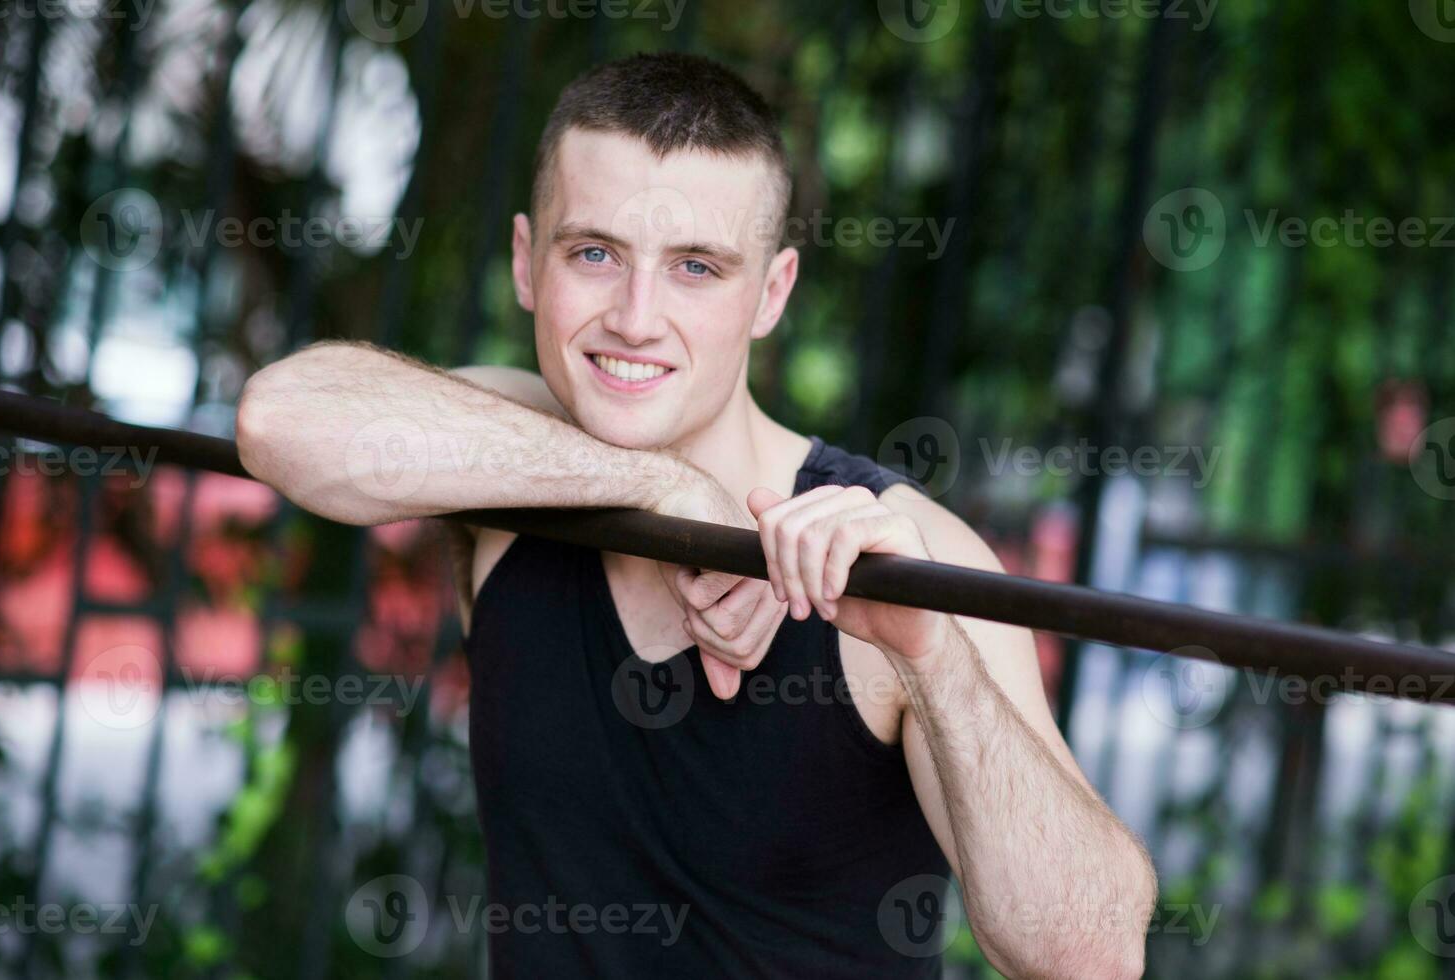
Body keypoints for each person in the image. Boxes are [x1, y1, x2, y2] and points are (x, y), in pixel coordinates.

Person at [236, 51, 1156, 979]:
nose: (636, 318)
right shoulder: (512, 457)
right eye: (593, 254)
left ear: (772, 293)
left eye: (695, 268)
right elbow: (280, 419)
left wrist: (935, 660)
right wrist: (658, 488)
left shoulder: (907, 551)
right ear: (525, 262)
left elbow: (1091, 955)